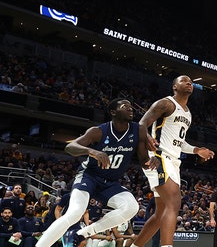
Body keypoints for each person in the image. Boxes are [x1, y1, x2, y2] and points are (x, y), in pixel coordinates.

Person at [35, 98, 159, 247]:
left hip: (110, 183)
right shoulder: (98, 131)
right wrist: (92, 151)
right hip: (89, 177)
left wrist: (152, 161)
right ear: (113, 112)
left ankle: (83, 233)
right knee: (75, 212)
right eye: (125, 106)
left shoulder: (138, 130)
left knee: (132, 207)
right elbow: (70, 147)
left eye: (131, 106)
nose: (130, 108)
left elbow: (143, 160)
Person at [131, 75, 215, 247]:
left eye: (191, 81)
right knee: (174, 202)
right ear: (174, 86)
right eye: (184, 80)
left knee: (160, 213)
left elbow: (179, 142)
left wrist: (197, 150)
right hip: (159, 156)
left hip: (173, 161)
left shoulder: (188, 114)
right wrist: (147, 138)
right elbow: (141, 124)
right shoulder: (166, 103)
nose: (189, 82)